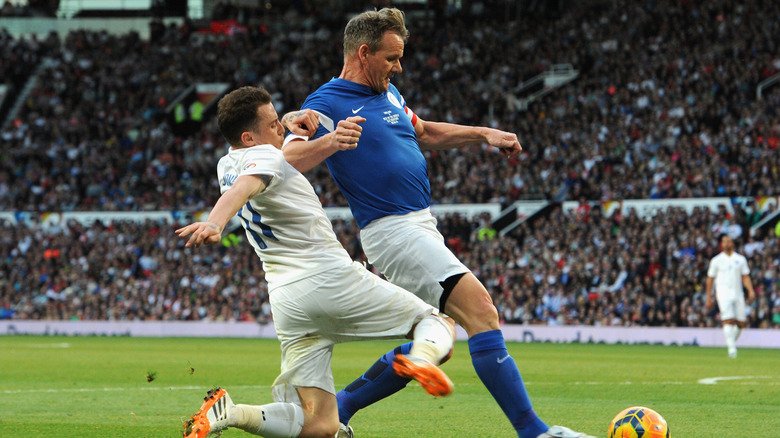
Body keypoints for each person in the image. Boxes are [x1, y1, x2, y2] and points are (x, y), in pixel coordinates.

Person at [281, 7, 596, 438]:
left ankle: (343, 413)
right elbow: (290, 155)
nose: (398, 66)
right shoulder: (325, 103)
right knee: (482, 312)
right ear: (364, 52)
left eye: (400, 56)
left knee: (438, 340)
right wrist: (332, 140)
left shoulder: (389, 95)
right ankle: (534, 431)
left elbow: (425, 131)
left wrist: (483, 133)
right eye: (391, 57)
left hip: (418, 225)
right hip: (393, 229)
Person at [177, 86, 455, 438]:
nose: (281, 128)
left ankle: (230, 413)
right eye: (274, 124)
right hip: (326, 277)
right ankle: (421, 359)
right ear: (249, 137)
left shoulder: (226, 163)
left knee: (321, 426)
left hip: (286, 300)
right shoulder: (265, 157)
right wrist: (215, 223)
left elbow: (248, 174)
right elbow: (245, 186)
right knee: (436, 323)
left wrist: (293, 120)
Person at [705, 234, 756, 358]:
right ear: (722, 244)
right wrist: (708, 296)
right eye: (724, 241)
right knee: (728, 320)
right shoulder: (716, 260)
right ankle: (732, 349)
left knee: (741, 322)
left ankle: (730, 342)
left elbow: (745, 277)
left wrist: (751, 290)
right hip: (723, 293)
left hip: (738, 293)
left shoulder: (740, 259)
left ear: (733, 243)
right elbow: (710, 279)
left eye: (729, 241)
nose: (727, 243)